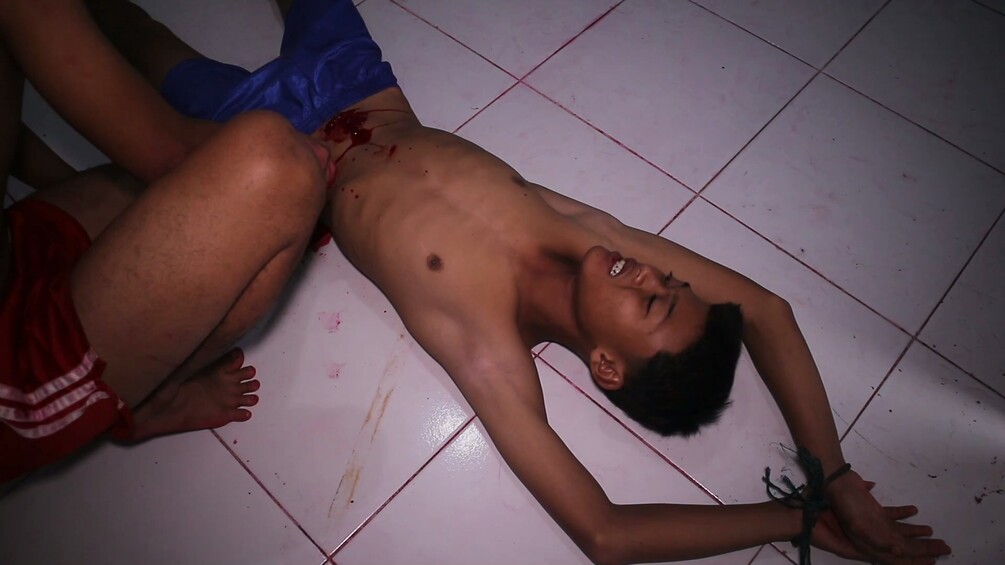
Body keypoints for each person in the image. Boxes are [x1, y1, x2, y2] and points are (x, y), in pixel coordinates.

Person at [8, 0, 951, 563]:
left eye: (650, 299)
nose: (651, 269)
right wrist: (835, 473)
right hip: (356, 83)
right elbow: (771, 310)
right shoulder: (594, 236)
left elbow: (606, 533)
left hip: (270, 146)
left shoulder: (491, 350)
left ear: (605, 365)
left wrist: (795, 518)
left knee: (141, 44)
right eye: (669, 277)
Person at [0, 0, 335, 481]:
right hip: (13, 370)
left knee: (181, 190)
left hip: (13, 252)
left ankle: (78, 217)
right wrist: (178, 151)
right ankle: (159, 395)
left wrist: (69, 197)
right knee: (279, 169)